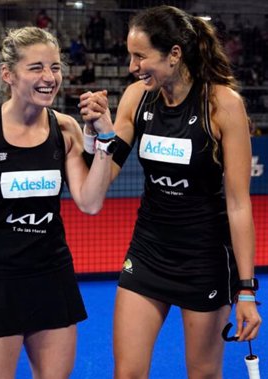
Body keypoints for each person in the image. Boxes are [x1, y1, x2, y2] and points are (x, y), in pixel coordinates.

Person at [79, 5, 261, 378]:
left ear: (174, 54)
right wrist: (99, 133)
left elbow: (239, 204)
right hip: (148, 251)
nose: (132, 66)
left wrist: (246, 290)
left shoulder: (223, 105)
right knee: (126, 373)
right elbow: (100, 183)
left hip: (205, 260)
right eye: (131, 56)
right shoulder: (136, 97)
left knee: (203, 374)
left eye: (140, 56)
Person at [0, 26, 114, 379]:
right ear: (8, 75)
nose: (49, 78)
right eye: (36, 67)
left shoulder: (67, 128)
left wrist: (105, 137)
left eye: (55, 67)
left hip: (51, 275)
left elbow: (89, 202)